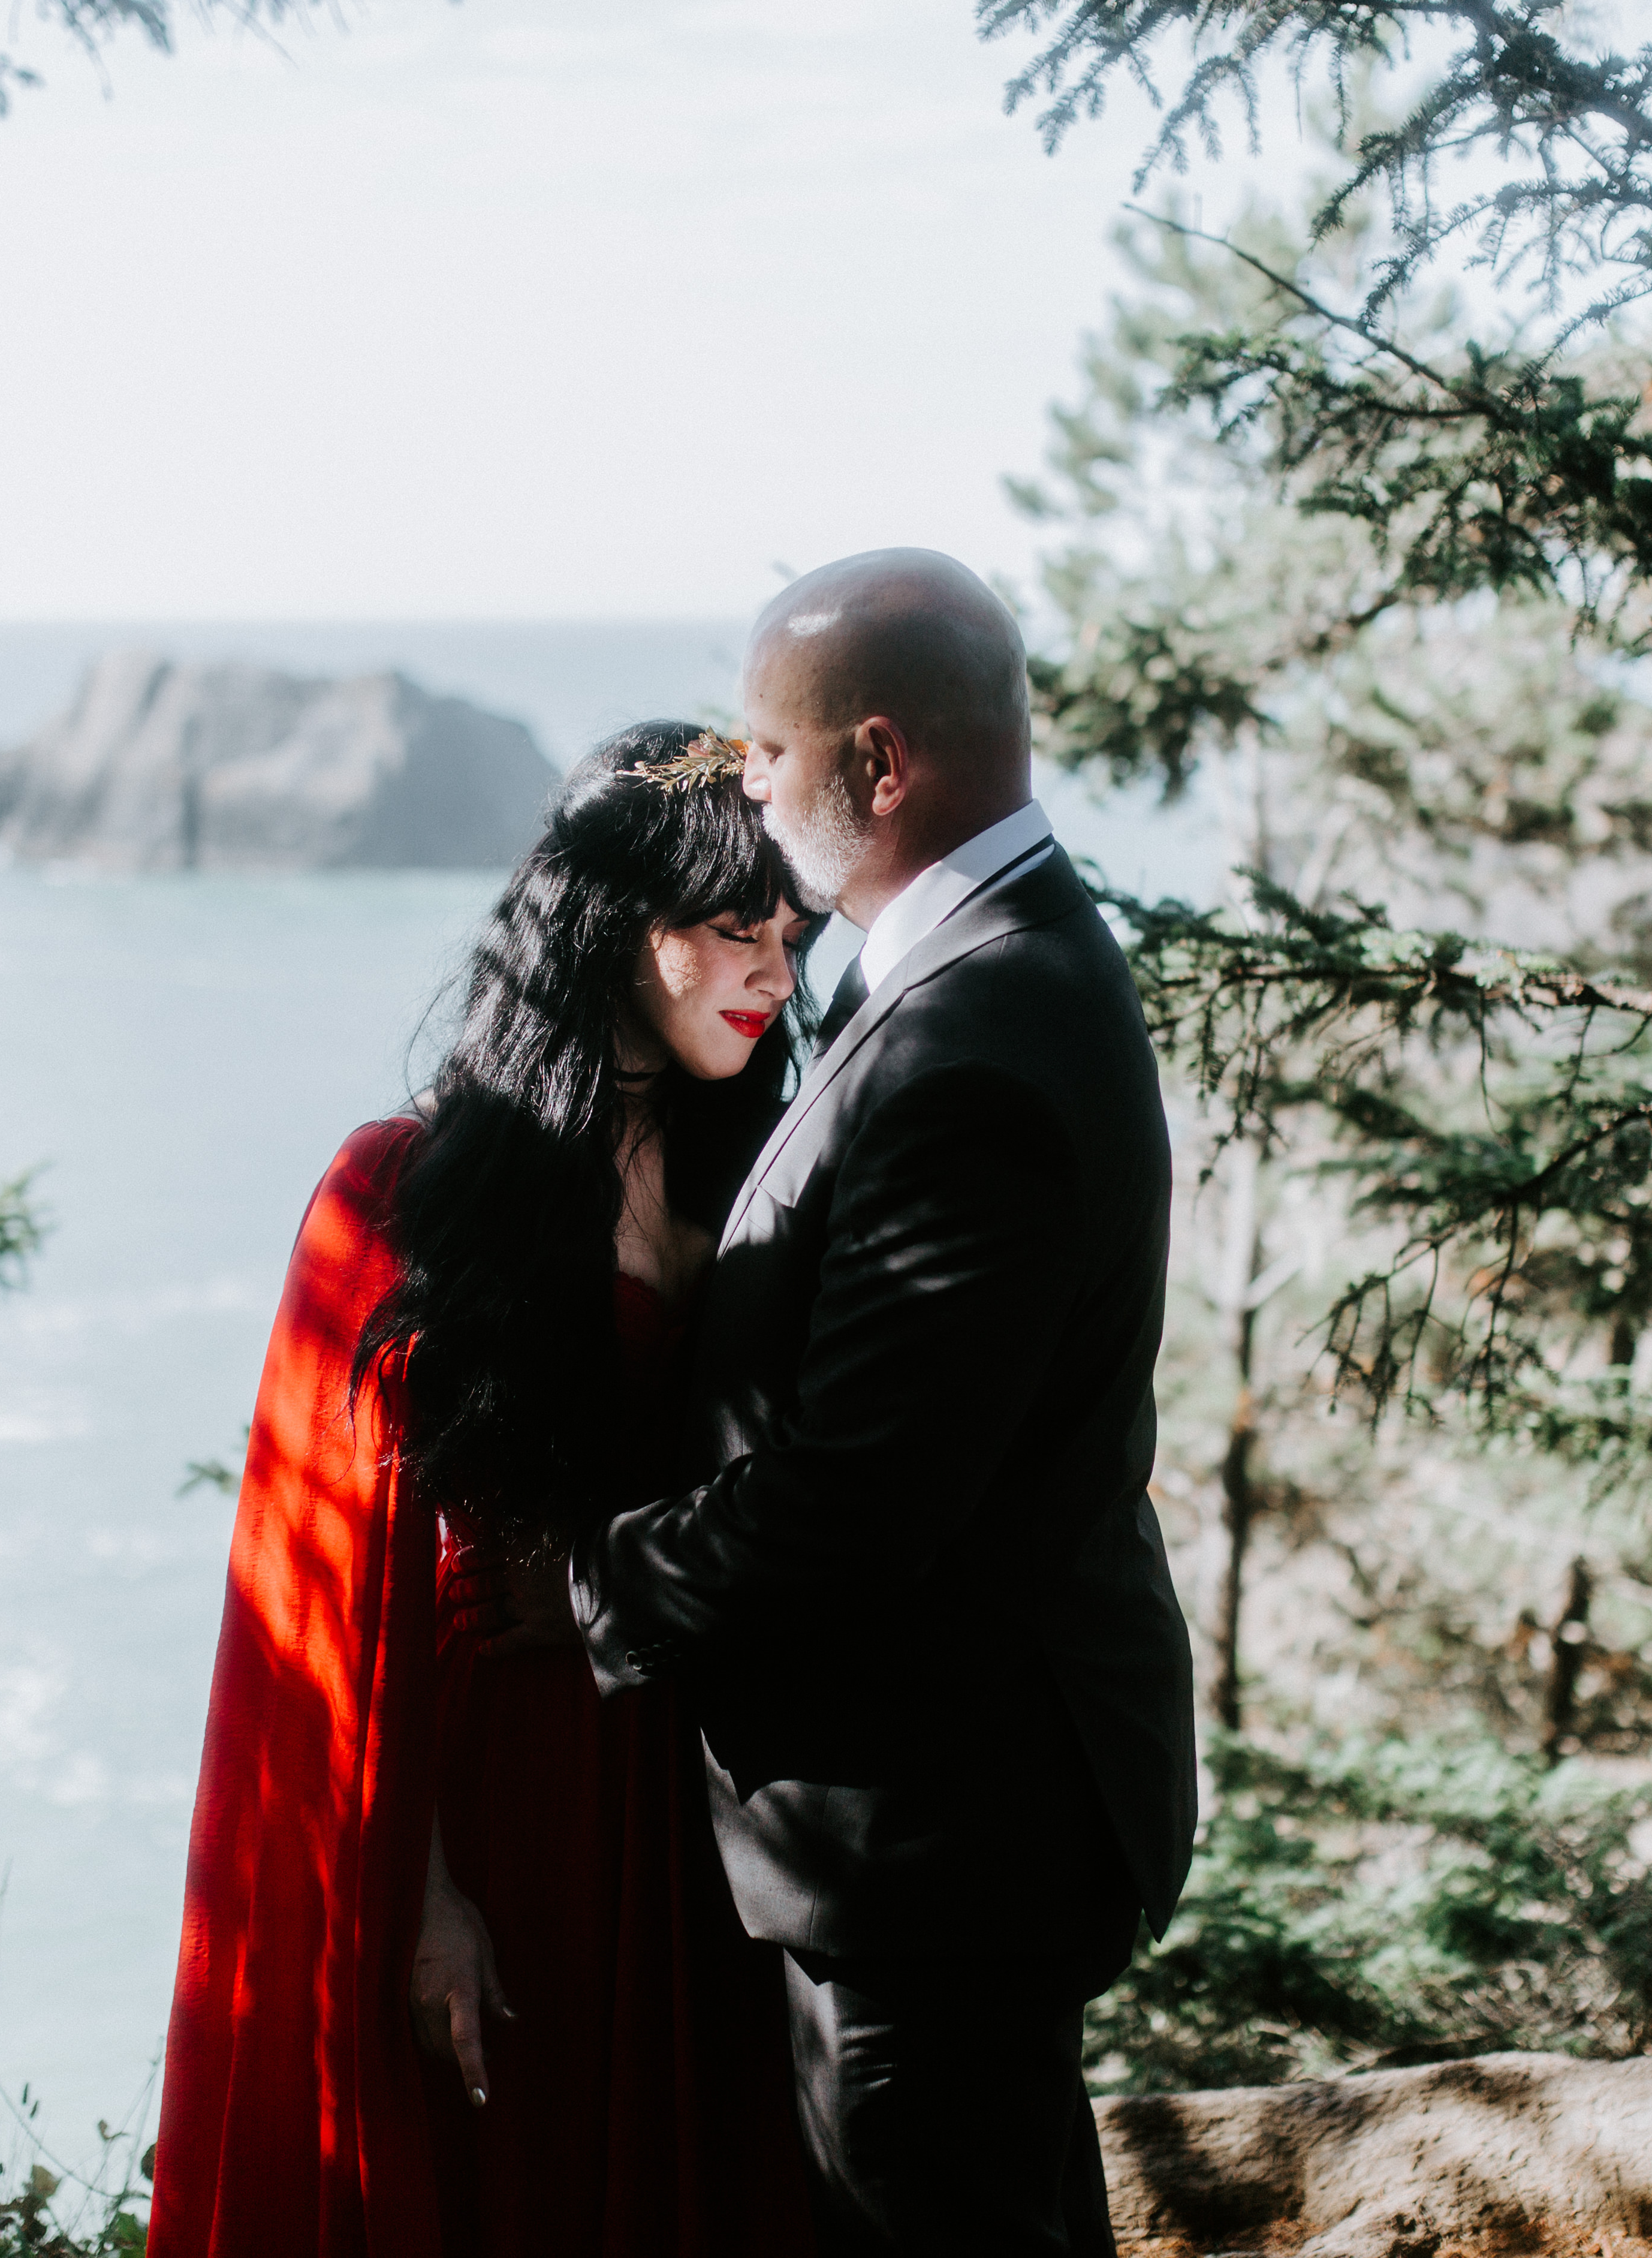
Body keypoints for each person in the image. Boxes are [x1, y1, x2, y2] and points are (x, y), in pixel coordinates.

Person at [567, 551, 1201, 2256]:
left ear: (879, 761)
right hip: (967, 1795)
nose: (750, 802)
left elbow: (865, 1486)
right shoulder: (995, 954)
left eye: (765, 763)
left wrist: (594, 1585)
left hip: (937, 1828)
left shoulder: (977, 1033)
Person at [146, 723, 826, 2258]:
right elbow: (325, 1591)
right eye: (736, 927)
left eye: (791, 931)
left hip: (709, 1779)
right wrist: (422, 1891)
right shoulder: (402, 1187)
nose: (775, 969)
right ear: (612, 921)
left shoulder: (779, 1160)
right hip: (500, 1782)